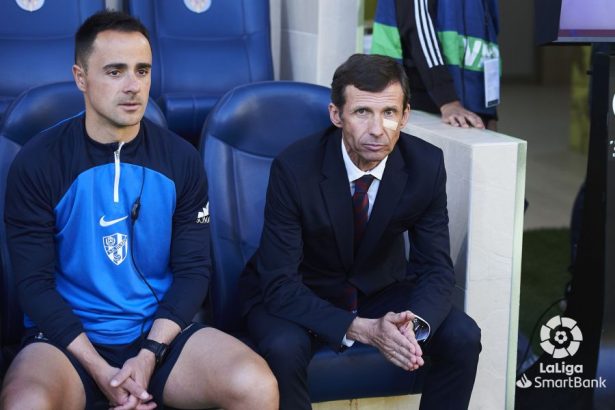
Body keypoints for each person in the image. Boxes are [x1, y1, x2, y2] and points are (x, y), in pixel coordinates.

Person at [0, 10, 278, 410]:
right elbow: (34, 286)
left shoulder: (181, 159)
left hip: (157, 335)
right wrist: (99, 368)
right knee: (24, 404)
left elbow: (194, 271)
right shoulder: (38, 161)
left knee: (255, 384)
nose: (133, 86)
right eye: (115, 71)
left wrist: (148, 356)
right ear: (81, 77)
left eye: (142, 71)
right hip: (67, 344)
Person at [239, 53, 481, 410]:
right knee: (284, 348)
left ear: (405, 116)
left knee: (463, 335)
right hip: (299, 291)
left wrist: (413, 323)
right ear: (337, 115)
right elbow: (278, 281)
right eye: (362, 112)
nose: (377, 129)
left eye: (389, 113)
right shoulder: (294, 167)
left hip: (378, 289)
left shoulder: (425, 165)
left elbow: (435, 267)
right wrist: (361, 328)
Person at [371, 0, 500, 130]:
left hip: (468, 111)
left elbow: (488, 44)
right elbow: (418, 29)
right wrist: (447, 101)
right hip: (428, 104)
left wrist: (489, 112)